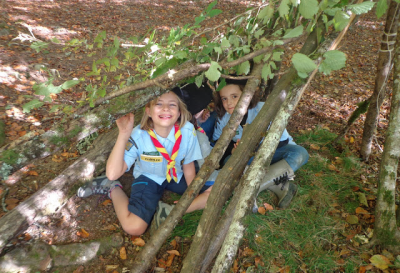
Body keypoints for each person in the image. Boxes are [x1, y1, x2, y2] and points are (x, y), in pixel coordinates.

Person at [77, 90, 212, 236]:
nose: (165, 108)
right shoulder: (139, 134)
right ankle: (112, 188)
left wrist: (193, 194)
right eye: (159, 104)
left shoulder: (187, 130)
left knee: (216, 190)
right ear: (148, 110)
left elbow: (188, 164)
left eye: (172, 105)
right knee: (134, 227)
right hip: (149, 177)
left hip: (176, 175)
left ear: (179, 112)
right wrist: (123, 134)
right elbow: (113, 173)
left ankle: (173, 211)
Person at [213, 78, 309, 209]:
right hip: (249, 159)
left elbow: (281, 142)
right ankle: (281, 185)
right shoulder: (223, 118)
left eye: (234, 96)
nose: (229, 102)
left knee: (300, 153)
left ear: (247, 95)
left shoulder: (263, 109)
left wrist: (250, 147)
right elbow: (218, 143)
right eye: (224, 98)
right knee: (228, 161)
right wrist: (233, 151)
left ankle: (250, 192)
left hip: (275, 155)